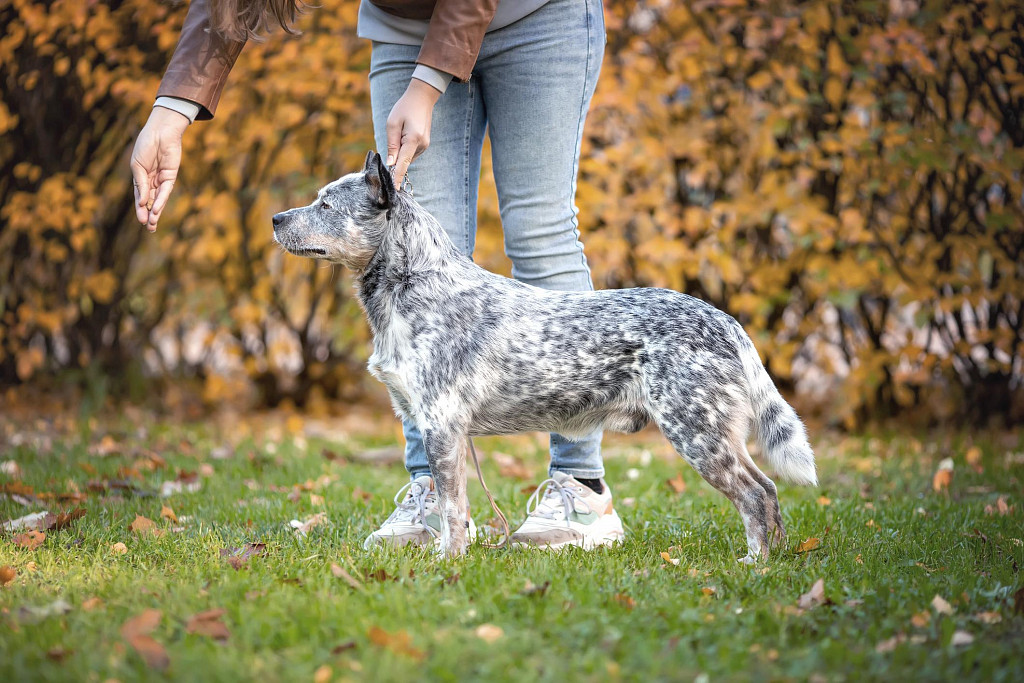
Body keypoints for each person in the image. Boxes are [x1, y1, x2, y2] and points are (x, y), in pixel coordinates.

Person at [130, 0, 624, 550]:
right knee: (418, 258)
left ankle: (580, 488)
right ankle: (435, 493)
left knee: (540, 231)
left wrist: (427, 83)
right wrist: (172, 109)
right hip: (406, 27)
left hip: (538, 15)